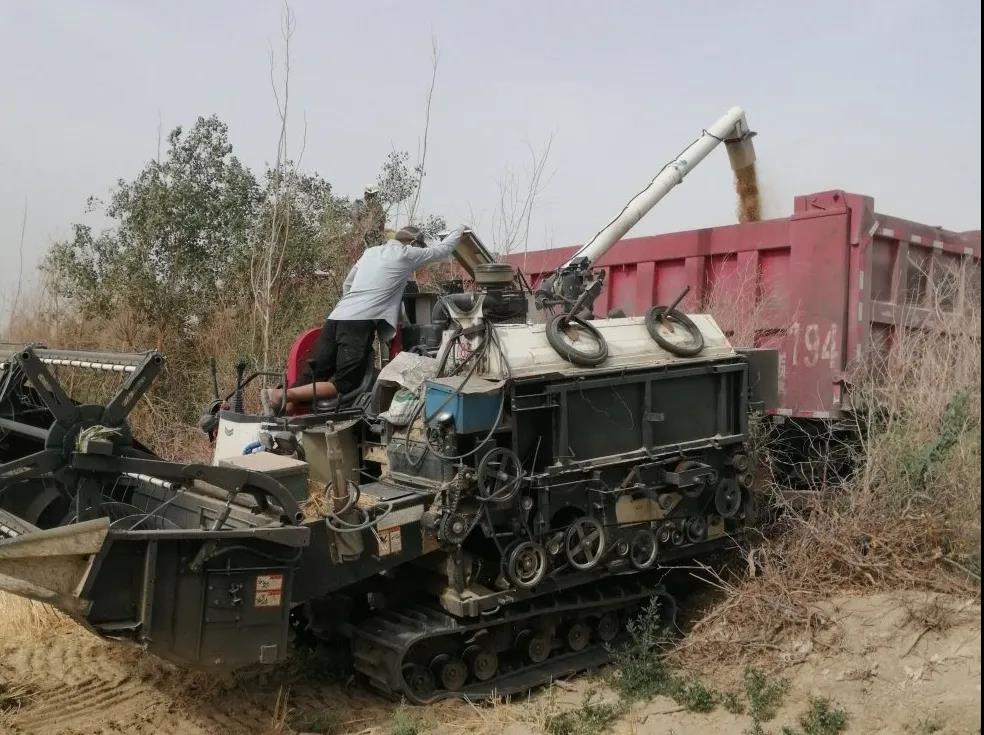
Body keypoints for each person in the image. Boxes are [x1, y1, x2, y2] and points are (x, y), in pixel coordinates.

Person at [262, 224, 466, 414]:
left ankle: (281, 416)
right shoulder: (407, 254)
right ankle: (278, 395)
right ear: (413, 243)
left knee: (311, 377)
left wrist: (356, 306)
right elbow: (444, 250)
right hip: (358, 324)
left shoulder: (371, 252)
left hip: (337, 317)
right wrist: (460, 229)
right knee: (345, 384)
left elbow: (347, 284)